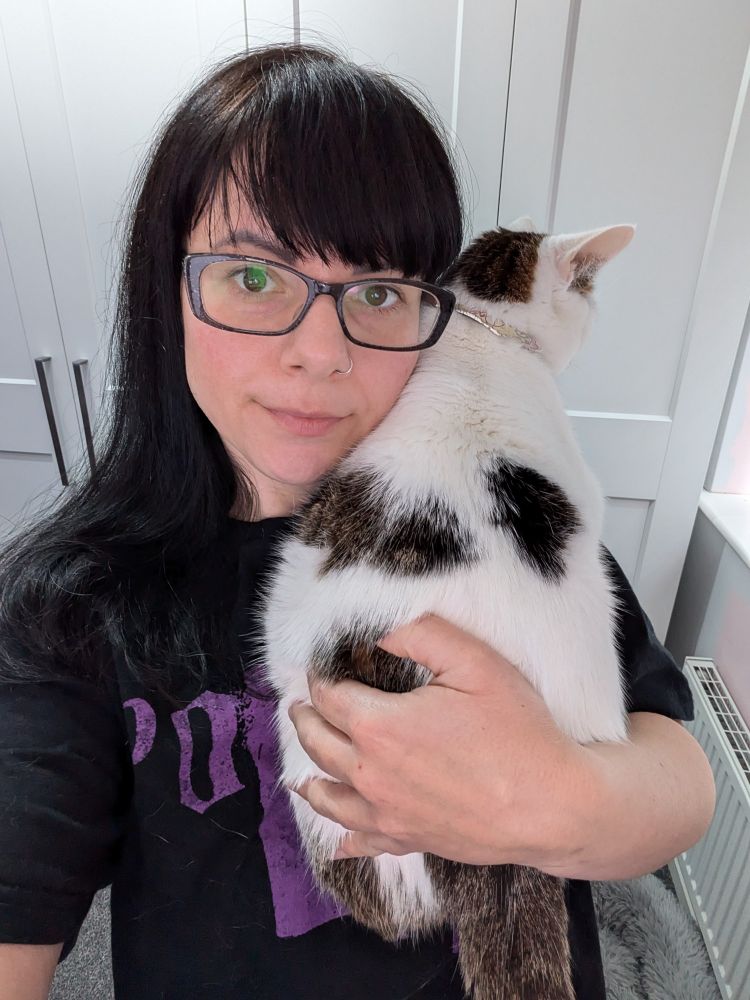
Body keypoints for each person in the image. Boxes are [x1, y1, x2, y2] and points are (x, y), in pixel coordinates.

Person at [0, 43, 715, 1000]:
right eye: (253, 278)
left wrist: (556, 798)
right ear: (165, 290)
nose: (319, 352)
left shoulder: (506, 513)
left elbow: (681, 778)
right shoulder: (70, 603)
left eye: (377, 293)